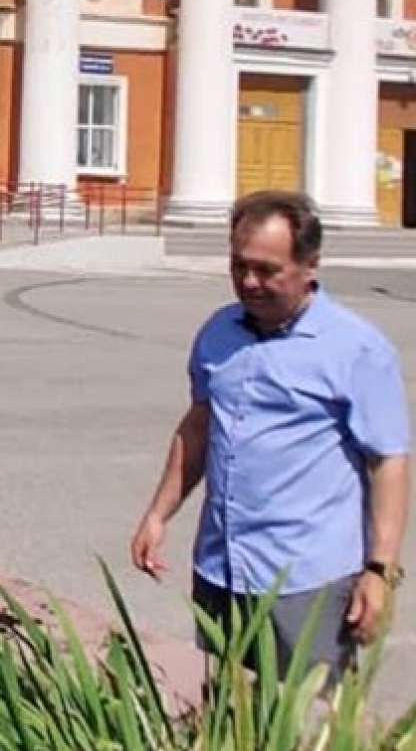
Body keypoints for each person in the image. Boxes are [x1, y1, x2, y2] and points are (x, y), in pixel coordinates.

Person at [130, 190, 410, 682]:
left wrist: (380, 570)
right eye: (239, 266)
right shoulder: (219, 332)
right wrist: (159, 514)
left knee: (308, 726)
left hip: (308, 583)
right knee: (226, 714)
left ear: (310, 266)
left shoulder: (357, 349)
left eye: (266, 269)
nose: (249, 282)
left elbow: (388, 461)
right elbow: (199, 424)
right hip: (221, 570)